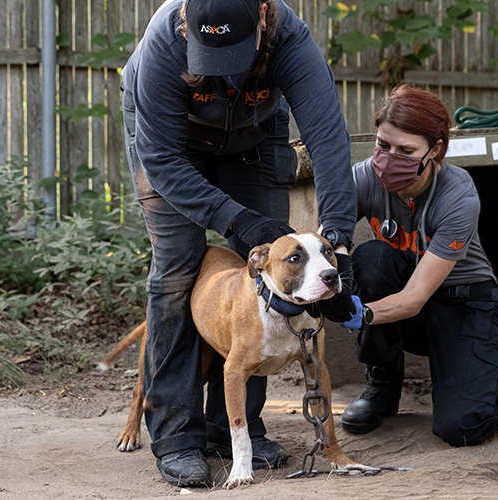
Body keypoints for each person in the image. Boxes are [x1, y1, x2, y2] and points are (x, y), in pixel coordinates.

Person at [121, 0, 357, 487]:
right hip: (168, 140)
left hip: (254, 129)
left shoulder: (291, 41)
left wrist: (338, 237)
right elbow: (161, 161)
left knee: (270, 272)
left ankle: (232, 426)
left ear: (264, 16)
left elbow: (328, 141)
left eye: (234, 55)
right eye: (211, 57)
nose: (224, 74)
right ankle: (176, 435)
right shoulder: (165, 48)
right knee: (177, 271)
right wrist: (236, 218)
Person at [336, 85, 498, 447]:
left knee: (464, 426)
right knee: (370, 260)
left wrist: (360, 313)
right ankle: (383, 386)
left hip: (463, 302)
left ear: (435, 150)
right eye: (383, 145)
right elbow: (332, 232)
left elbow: (415, 297)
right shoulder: (364, 177)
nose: (388, 158)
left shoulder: (459, 196)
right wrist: (334, 263)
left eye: (405, 151)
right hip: (409, 307)